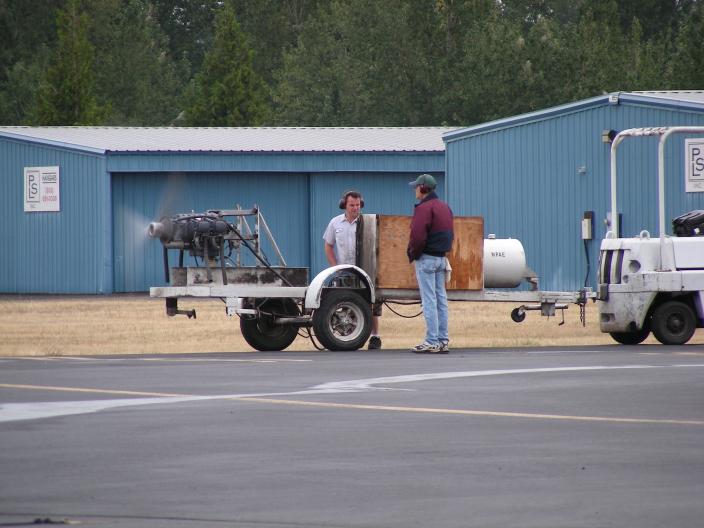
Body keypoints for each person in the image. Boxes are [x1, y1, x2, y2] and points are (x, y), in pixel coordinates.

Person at [323, 190, 382, 349]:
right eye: (352, 205)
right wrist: (335, 267)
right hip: (344, 271)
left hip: (366, 269)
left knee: (371, 302)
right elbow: (328, 245)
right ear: (344, 205)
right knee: (343, 301)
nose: (355, 208)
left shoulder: (368, 222)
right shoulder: (335, 223)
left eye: (358, 205)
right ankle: (344, 334)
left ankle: (375, 336)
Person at [406, 174, 454, 354]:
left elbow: (417, 236)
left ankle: (431, 340)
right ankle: (443, 340)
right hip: (442, 258)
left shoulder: (423, 208)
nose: (414, 189)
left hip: (426, 258)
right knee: (441, 300)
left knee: (429, 301)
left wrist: (413, 254)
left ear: (423, 188)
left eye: (416, 186)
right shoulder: (444, 207)